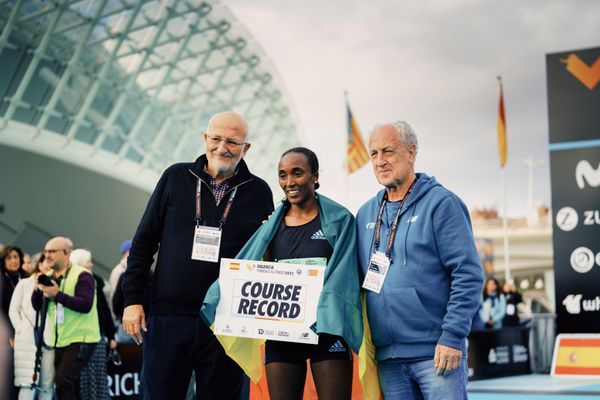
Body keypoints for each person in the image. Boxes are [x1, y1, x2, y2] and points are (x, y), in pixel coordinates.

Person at [121, 111, 274, 399]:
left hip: (226, 322)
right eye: (216, 138)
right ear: (205, 138)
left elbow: (268, 255)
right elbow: (143, 244)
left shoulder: (259, 192)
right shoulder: (175, 177)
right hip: (168, 316)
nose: (222, 147)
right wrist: (133, 300)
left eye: (232, 141)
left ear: (246, 148)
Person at [202, 147, 363, 400]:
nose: (289, 182)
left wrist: (320, 308)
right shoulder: (270, 227)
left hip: (327, 330)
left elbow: (346, 276)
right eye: (283, 175)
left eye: (297, 173)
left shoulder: (340, 221)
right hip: (283, 334)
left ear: (315, 176)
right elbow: (256, 273)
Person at [356, 121, 483, 399]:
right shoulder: (365, 214)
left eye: (388, 151)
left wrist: (452, 336)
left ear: (411, 153)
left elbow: (468, 274)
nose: (380, 161)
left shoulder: (441, 204)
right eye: (374, 153)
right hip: (388, 359)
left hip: (437, 353)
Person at [32, 237, 100, 400]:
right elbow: (36, 306)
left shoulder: (83, 275)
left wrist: (57, 295)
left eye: (52, 251)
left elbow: (85, 305)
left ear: (66, 252)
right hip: (61, 340)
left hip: (82, 338)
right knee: (71, 384)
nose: (47, 255)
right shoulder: (48, 276)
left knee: (63, 382)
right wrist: (37, 291)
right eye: (46, 251)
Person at [70, 248, 116, 400]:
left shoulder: (97, 283)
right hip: (82, 338)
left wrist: (111, 336)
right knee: (86, 378)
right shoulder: (73, 283)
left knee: (100, 377)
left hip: (99, 337)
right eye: (88, 262)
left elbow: (104, 311)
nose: (91, 265)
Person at [9, 254, 55, 400]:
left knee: (47, 384)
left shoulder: (55, 284)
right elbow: (13, 310)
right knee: (28, 383)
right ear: (39, 264)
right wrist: (21, 329)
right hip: (28, 340)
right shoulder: (24, 283)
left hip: (50, 340)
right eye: (45, 262)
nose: (48, 265)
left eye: (51, 262)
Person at [1, 245, 27, 400]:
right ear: (3, 261)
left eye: (16, 257)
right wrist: (11, 334)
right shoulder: (2, 281)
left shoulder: (27, 277)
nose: (13, 261)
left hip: (28, 334)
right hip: (9, 337)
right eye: (9, 258)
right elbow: (2, 311)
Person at [109, 240, 131, 305]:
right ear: (127, 252)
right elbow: (116, 296)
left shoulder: (127, 269)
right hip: (123, 312)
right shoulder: (118, 271)